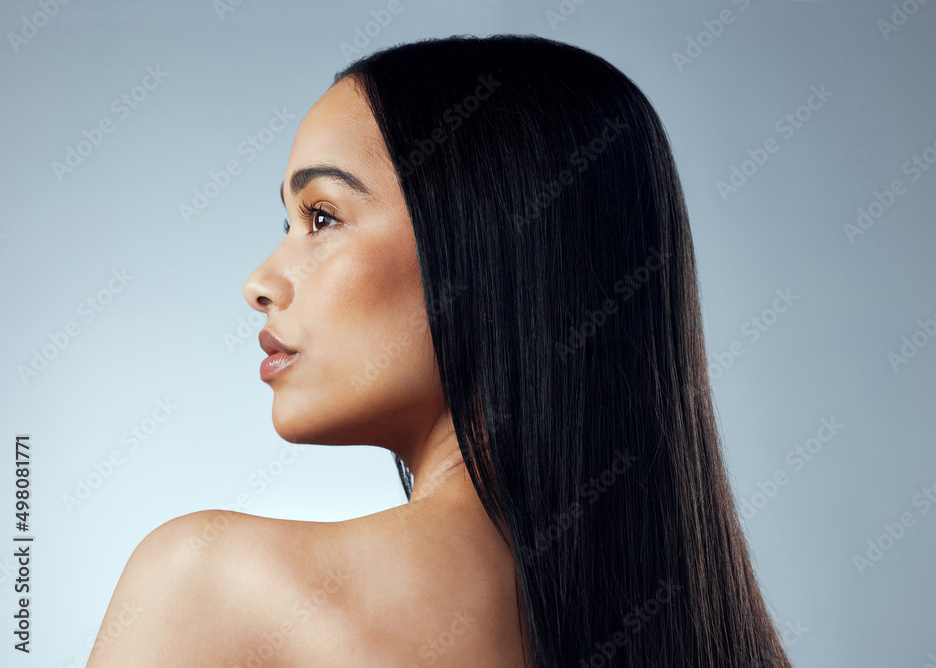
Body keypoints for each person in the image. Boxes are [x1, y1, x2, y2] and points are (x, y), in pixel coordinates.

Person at [88, 34, 792, 667]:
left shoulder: (206, 583)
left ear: (492, 250)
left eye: (323, 217)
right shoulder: (703, 629)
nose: (260, 282)